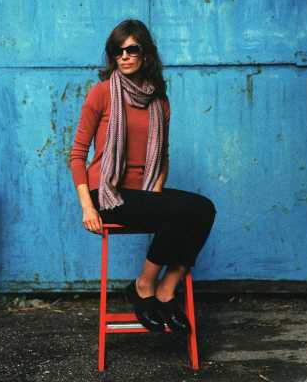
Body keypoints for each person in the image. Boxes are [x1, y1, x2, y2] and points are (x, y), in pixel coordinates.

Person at [69, 19, 216, 333]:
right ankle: (143, 286)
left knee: (203, 209)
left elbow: (163, 155)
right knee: (177, 213)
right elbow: (78, 154)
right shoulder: (101, 93)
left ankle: (166, 288)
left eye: (131, 49)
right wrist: (87, 206)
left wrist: (156, 189)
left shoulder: (159, 100)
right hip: (106, 194)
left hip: (144, 192)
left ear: (146, 53)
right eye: (117, 51)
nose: (123, 56)